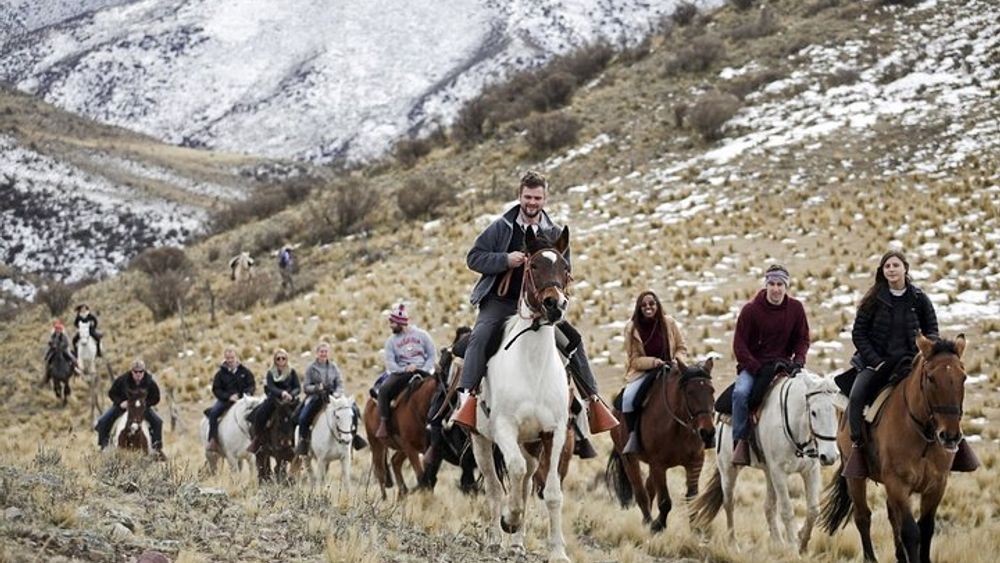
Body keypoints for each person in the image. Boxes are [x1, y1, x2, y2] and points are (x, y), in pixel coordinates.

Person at [452, 170, 617, 448]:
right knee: (480, 337)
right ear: (520, 196)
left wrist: (555, 299)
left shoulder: (555, 232)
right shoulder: (501, 227)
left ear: (545, 198)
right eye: (528, 197)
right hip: (502, 303)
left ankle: (592, 402)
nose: (532, 202)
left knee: (573, 341)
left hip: (540, 307)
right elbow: (474, 258)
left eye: (537, 197)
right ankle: (467, 400)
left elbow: (566, 271)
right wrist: (505, 259)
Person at [844, 249, 977, 476]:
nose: (892, 269)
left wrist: (928, 352)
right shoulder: (873, 299)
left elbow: (932, 329)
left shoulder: (919, 298)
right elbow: (859, 334)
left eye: (896, 265)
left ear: (905, 268)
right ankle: (857, 448)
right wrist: (875, 360)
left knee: (945, 392)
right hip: (877, 363)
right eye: (887, 266)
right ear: (882, 271)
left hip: (912, 362)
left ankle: (956, 442)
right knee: (856, 397)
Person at [731, 264, 810, 466]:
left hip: (784, 365)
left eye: (780, 284)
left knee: (813, 394)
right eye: (772, 284)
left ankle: (811, 442)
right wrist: (754, 366)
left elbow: (802, 339)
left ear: (786, 286)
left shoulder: (796, 309)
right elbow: (739, 345)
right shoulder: (751, 310)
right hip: (754, 367)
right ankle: (740, 440)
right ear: (766, 285)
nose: (776, 289)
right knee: (740, 393)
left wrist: (799, 360)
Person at [621, 291, 688, 454]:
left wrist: (678, 360)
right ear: (639, 308)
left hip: (671, 368)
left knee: (694, 390)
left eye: (651, 304)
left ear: (657, 305)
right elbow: (634, 359)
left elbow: (681, 347)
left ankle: (700, 435)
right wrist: (653, 362)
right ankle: (633, 436)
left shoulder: (669, 323)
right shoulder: (632, 328)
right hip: (644, 371)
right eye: (644, 305)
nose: (648, 307)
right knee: (628, 400)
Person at [374, 304, 436, 439]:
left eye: (392, 322)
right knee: (384, 390)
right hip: (401, 373)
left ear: (400, 322)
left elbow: (432, 355)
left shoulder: (422, 335)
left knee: (439, 389)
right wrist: (404, 369)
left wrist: (423, 369)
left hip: (422, 371)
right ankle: (384, 423)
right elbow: (390, 363)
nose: (390, 325)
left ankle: (439, 422)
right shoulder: (391, 341)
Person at [296, 341, 367, 455]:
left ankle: (354, 437)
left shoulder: (334, 367)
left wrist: (337, 393)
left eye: (325, 352)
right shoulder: (311, 368)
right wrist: (316, 388)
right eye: (321, 352)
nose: (323, 354)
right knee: (303, 417)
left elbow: (340, 383)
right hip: (316, 396)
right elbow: (306, 387)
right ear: (317, 353)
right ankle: (303, 442)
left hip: (334, 396)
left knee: (353, 410)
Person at [94, 359, 163, 454]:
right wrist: (120, 402)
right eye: (136, 372)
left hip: (141, 408)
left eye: (141, 371)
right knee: (102, 421)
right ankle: (104, 445)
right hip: (123, 406)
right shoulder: (123, 379)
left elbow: (156, 397)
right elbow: (111, 393)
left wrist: (145, 404)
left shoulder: (149, 381)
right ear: (132, 371)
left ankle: (156, 448)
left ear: (144, 371)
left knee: (158, 422)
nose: (138, 374)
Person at [247, 348, 301, 454]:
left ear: (287, 359)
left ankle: (302, 441)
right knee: (259, 414)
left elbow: (297, 387)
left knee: (301, 416)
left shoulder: (292, 372)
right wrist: (281, 393)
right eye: (278, 358)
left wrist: (291, 395)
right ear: (275, 360)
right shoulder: (270, 373)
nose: (281, 361)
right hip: (274, 399)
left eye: (283, 358)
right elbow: (271, 387)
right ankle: (258, 440)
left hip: (290, 400)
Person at [205, 348, 255, 453]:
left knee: (255, 413)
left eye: (232, 358)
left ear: (236, 358)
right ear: (225, 359)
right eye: (228, 358)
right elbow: (216, 389)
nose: (230, 360)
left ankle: (256, 440)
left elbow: (251, 385)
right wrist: (228, 396)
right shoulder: (220, 374)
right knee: (213, 414)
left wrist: (246, 394)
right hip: (225, 400)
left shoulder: (245, 372)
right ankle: (213, 440)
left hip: (243, 400)